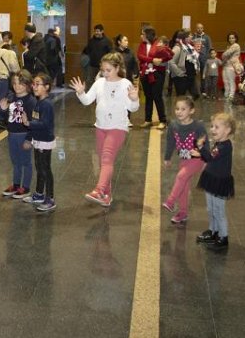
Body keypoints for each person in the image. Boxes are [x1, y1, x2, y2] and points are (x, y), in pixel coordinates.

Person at [69, 53, 140, 208]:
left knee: (107, 158)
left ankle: (99, 190)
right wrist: (80, 92)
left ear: (117, 68)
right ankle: (106, 195)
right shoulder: (99, 82)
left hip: (117, 127)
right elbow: (87, 101)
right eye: (103, 70)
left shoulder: (125, 84)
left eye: (108, 70)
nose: (105, 73)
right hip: (101, 127)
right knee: (103, 162)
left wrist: (134, 99)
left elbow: (133, 108)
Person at [192, 112, 236, 251]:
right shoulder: (219, 143)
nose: (212, 130)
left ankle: (223, 237)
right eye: (212, 126)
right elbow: (211, 157)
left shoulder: (225, 146)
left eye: (217, 127)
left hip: (219, 182)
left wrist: (200, 147)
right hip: (211, 178)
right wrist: (201, 153)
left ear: (227, 130)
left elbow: (211, 157)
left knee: (219, 210)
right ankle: (213, 231)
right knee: (211, 208)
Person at [162, 96, 207, 223]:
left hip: (197, 159)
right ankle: (183, 213)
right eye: (177, 109)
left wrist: (206, 159)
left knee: (181, 177)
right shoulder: (173, 125)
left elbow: (205, 144)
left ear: (191, 111)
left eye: (183, 109)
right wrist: (167, 157)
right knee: (184, 186)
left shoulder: (198, 126)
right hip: (184, 159)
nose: (179, 112)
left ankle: (170, 201)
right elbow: (170, 142)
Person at [22, 73, 57, 212]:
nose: (34, 87)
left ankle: (50, 198)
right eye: (33, 84)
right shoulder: (39, 102)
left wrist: (28, 123)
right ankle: (39, 194)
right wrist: (30, 137)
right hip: (38, 140)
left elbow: (45, 124)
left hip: (44, 141)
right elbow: (36, 122)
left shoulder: (47, 104)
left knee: (45, 169)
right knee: (39, 167)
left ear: (46, 87)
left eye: (38, 84)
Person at [0, 70, 36, 199]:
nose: (17, 86)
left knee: (26, 162)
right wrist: (3, 110)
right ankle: (15, 185)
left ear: (27, 84)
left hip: (24, 134)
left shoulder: (31, 101)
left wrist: (29, 139)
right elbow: (6, 118)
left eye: (20, 83)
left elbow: (33, 123)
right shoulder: (11, 98)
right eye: (14, 83)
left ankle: (25, 187)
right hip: (12, 134)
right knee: (15, 161)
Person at [137, 27, 173, 129]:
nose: (141, 36)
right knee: (148, 96)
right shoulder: (142, 44)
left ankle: (163, 120)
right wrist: (152, 60)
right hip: (145, 73)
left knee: (157, 96)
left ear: (148, 35)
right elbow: (140, 56)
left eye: (143, 34)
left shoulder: (158, 43)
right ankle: (148, 120)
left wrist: (159, 60)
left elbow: (168, 55)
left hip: (157, 73)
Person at [0, 32, 20, 127]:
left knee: (4, 97)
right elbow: (14, 67)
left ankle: (4, 117)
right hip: (3, 77)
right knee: (3, 99)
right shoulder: (10, 53)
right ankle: (0, 120)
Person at [81, 24, 113, 90]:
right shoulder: (91, 41)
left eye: (98, 31)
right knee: (90, 81)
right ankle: (89, 98)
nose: (96, 33)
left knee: (103, 82)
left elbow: (110, 54)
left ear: (102, 31)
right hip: (92, 66)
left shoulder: (107, 41)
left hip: (103, 67)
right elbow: (86, 51)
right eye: (95, 31)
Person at [193, 23, 213, 95]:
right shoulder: (193, 37)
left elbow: (210, 48)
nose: (199, 29)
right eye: (198, 28)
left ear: (203, 28)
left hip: (203, 59)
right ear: (196, 28)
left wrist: (207, 57)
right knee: (193, 74)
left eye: (201, 28)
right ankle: (194, 90)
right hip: (194, 59)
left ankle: (203, 90)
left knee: (203, 75)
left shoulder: (207, 37)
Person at [221, 32, 242, 101]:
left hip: (232, 66)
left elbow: (225, 54)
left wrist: (224, 55)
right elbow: (225, 56)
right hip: (226, 66)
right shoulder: (229, 46)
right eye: (230, 38)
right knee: (225, 81)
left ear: (235, 39)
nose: (231, 39)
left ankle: (231, 95)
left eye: (232, 38)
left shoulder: (236, 45)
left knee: (231, 81)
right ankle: (226, 95)